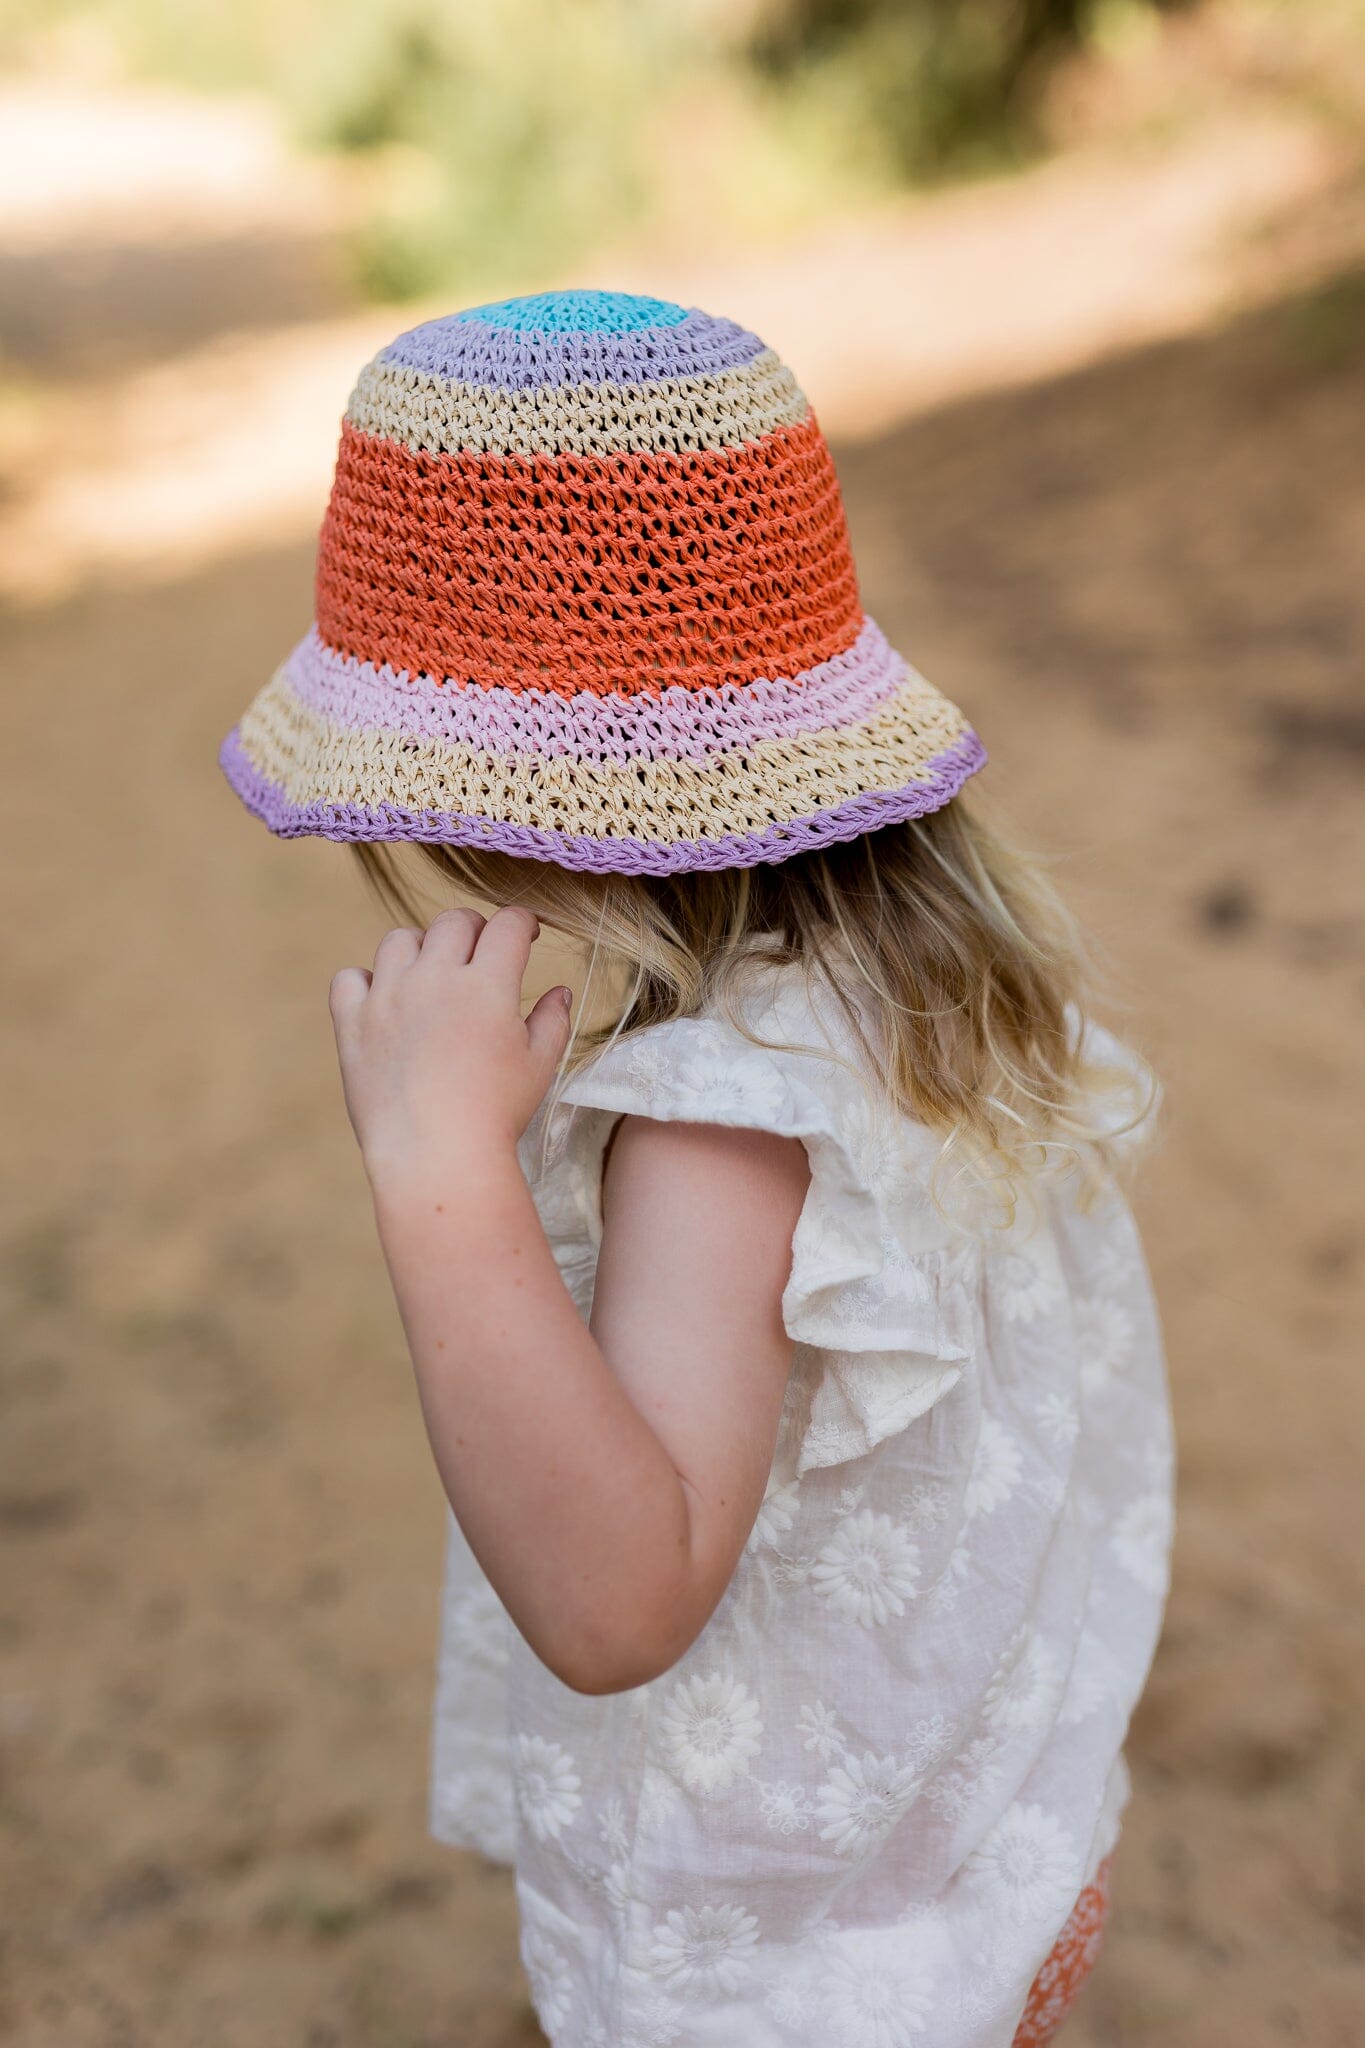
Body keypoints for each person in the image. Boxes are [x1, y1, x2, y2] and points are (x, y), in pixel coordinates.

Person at [220, 289, 1174, 2047]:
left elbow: (615, 1600)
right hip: (991, 1853)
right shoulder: (928, 992)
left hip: (811, 1966)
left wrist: (441, 1172)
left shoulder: (720, 1121)